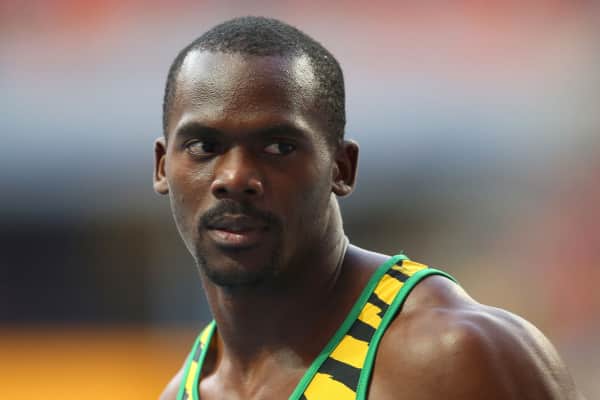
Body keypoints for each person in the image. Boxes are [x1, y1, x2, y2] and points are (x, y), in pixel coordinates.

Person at [153, 16, 584, 400]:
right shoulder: (181, 392)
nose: (234, 178)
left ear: (342, 168)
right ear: (161, 167)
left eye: (278, 147)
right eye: (204, 146)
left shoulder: (450, 357)